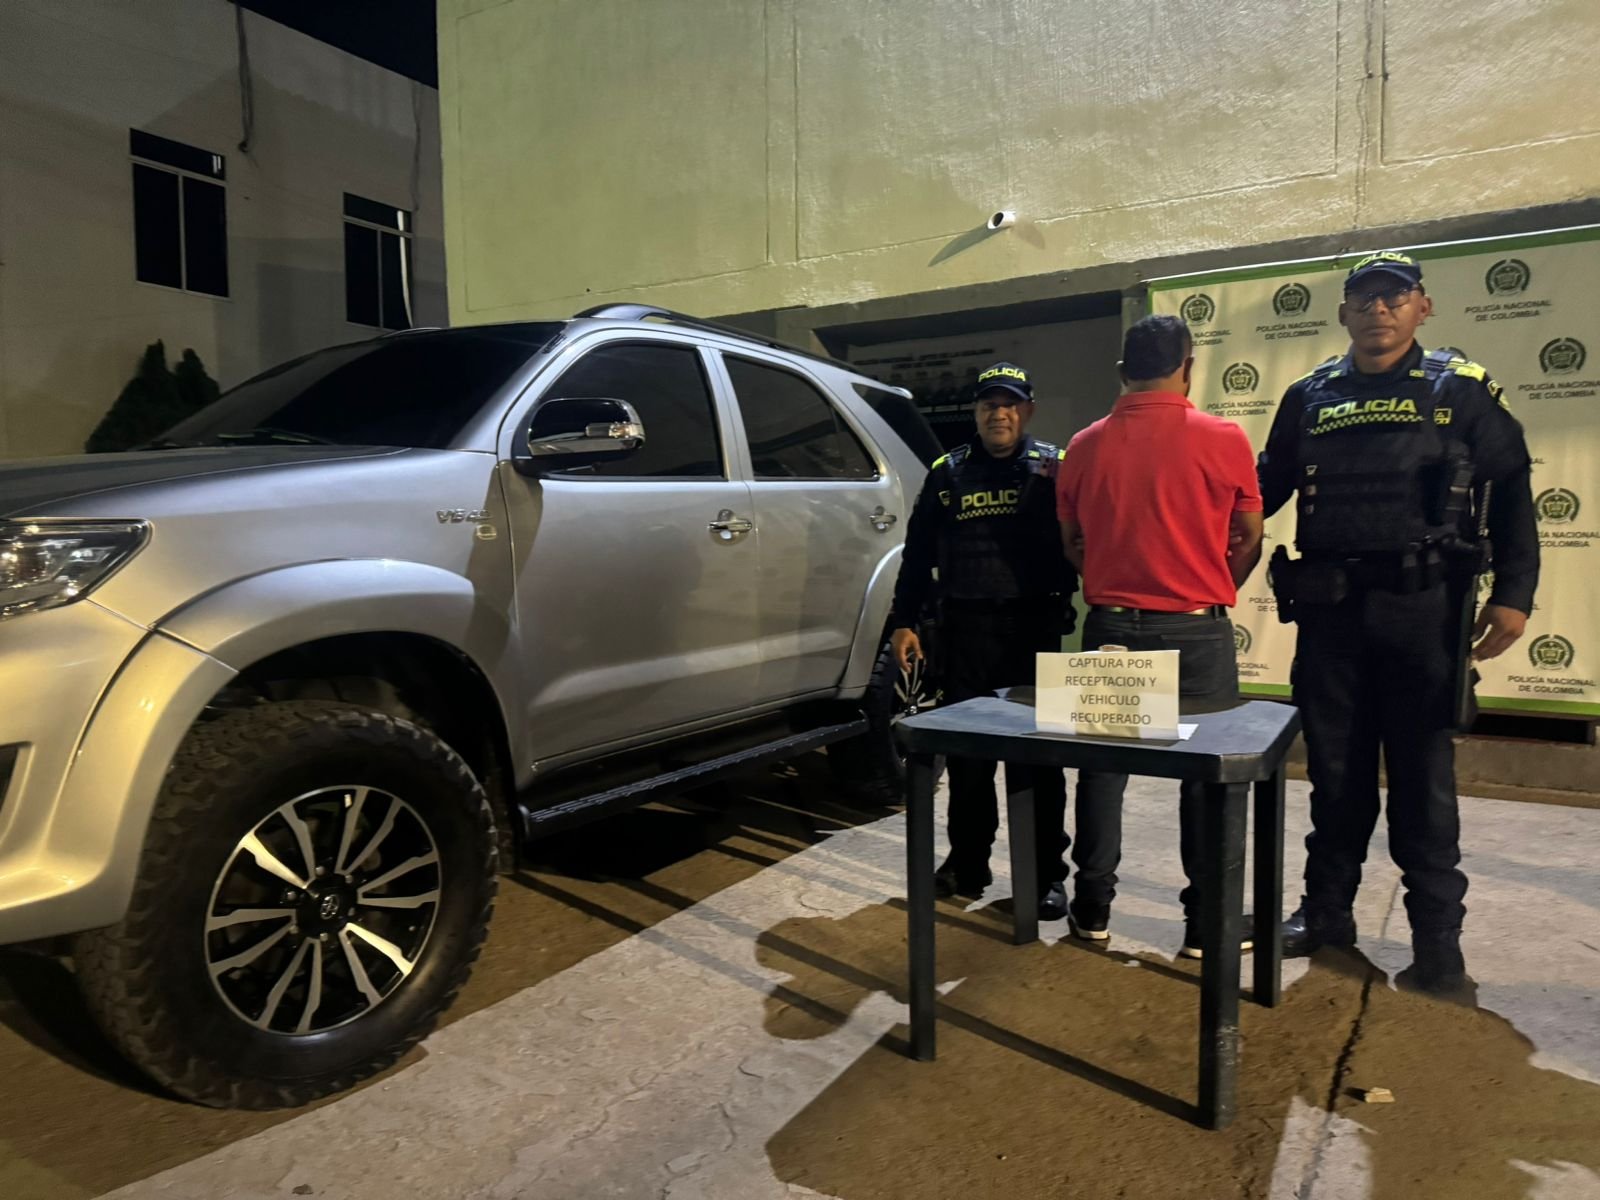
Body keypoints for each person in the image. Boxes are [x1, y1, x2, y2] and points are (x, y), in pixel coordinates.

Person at [1257, 250, 1539, 999]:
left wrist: (1514, 592)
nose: (1377, 310)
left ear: (1422, 307)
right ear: (1344, 313)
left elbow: (1512, 492)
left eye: (1393, 297)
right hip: (1332, 618)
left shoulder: (1462, 391)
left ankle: (1437, 950)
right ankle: (1325, 917)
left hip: (1425, 615)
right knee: (1335, 777)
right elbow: (1258, 491)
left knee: (1423, 784)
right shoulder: (1308, 396)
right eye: (1363, 298)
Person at [1055, 315, 1264, 958]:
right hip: (1197, 631)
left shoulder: (1082, 446)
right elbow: (1250, 537)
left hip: (1111, 624)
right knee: (1208, 780)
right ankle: (1206, 926)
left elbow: (1071, 546)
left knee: (1101, 775)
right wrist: (1206, 581)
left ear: (1122, 371)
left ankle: (1090, 912)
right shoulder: (1224, 438)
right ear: (1188, 365)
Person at [889, 361, 1079, 919]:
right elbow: (918, 553)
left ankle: (1046, 876)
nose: (999, 413)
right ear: (975, 412)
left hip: (1034, 634)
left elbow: (1091, 533)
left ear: (1028, 410)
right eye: (989, 404)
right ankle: (967, 863)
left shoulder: (1057, 467)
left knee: (1038, 763)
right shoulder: (947, 472)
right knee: (969, 760)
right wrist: (904, 620)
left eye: (1010, 403)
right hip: (964, 635)